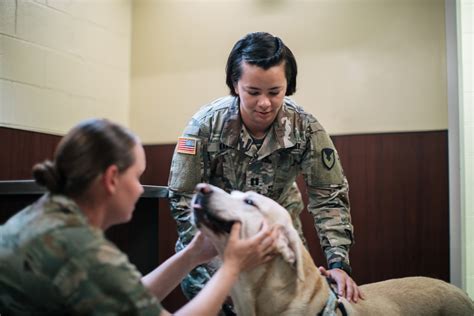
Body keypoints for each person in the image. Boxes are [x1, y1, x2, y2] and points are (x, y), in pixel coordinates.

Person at [168, 31, 363, 314]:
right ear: (236, 85)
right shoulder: (204, 127)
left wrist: (338, 263)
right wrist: (215, 273)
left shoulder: (305, 129)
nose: (264, 103)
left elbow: (328, 197)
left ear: (288, 86)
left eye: (274, 92)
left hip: (279, 238)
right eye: (253, 92)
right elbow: (183, 200)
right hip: (216, 240)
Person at [0, 118, 276, 315]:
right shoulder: (81, 250)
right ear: (111, 179)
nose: (141, 188)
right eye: (137, 176)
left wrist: (192, 254)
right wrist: (232, 267)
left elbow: (128, 297)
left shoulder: (45, 216)